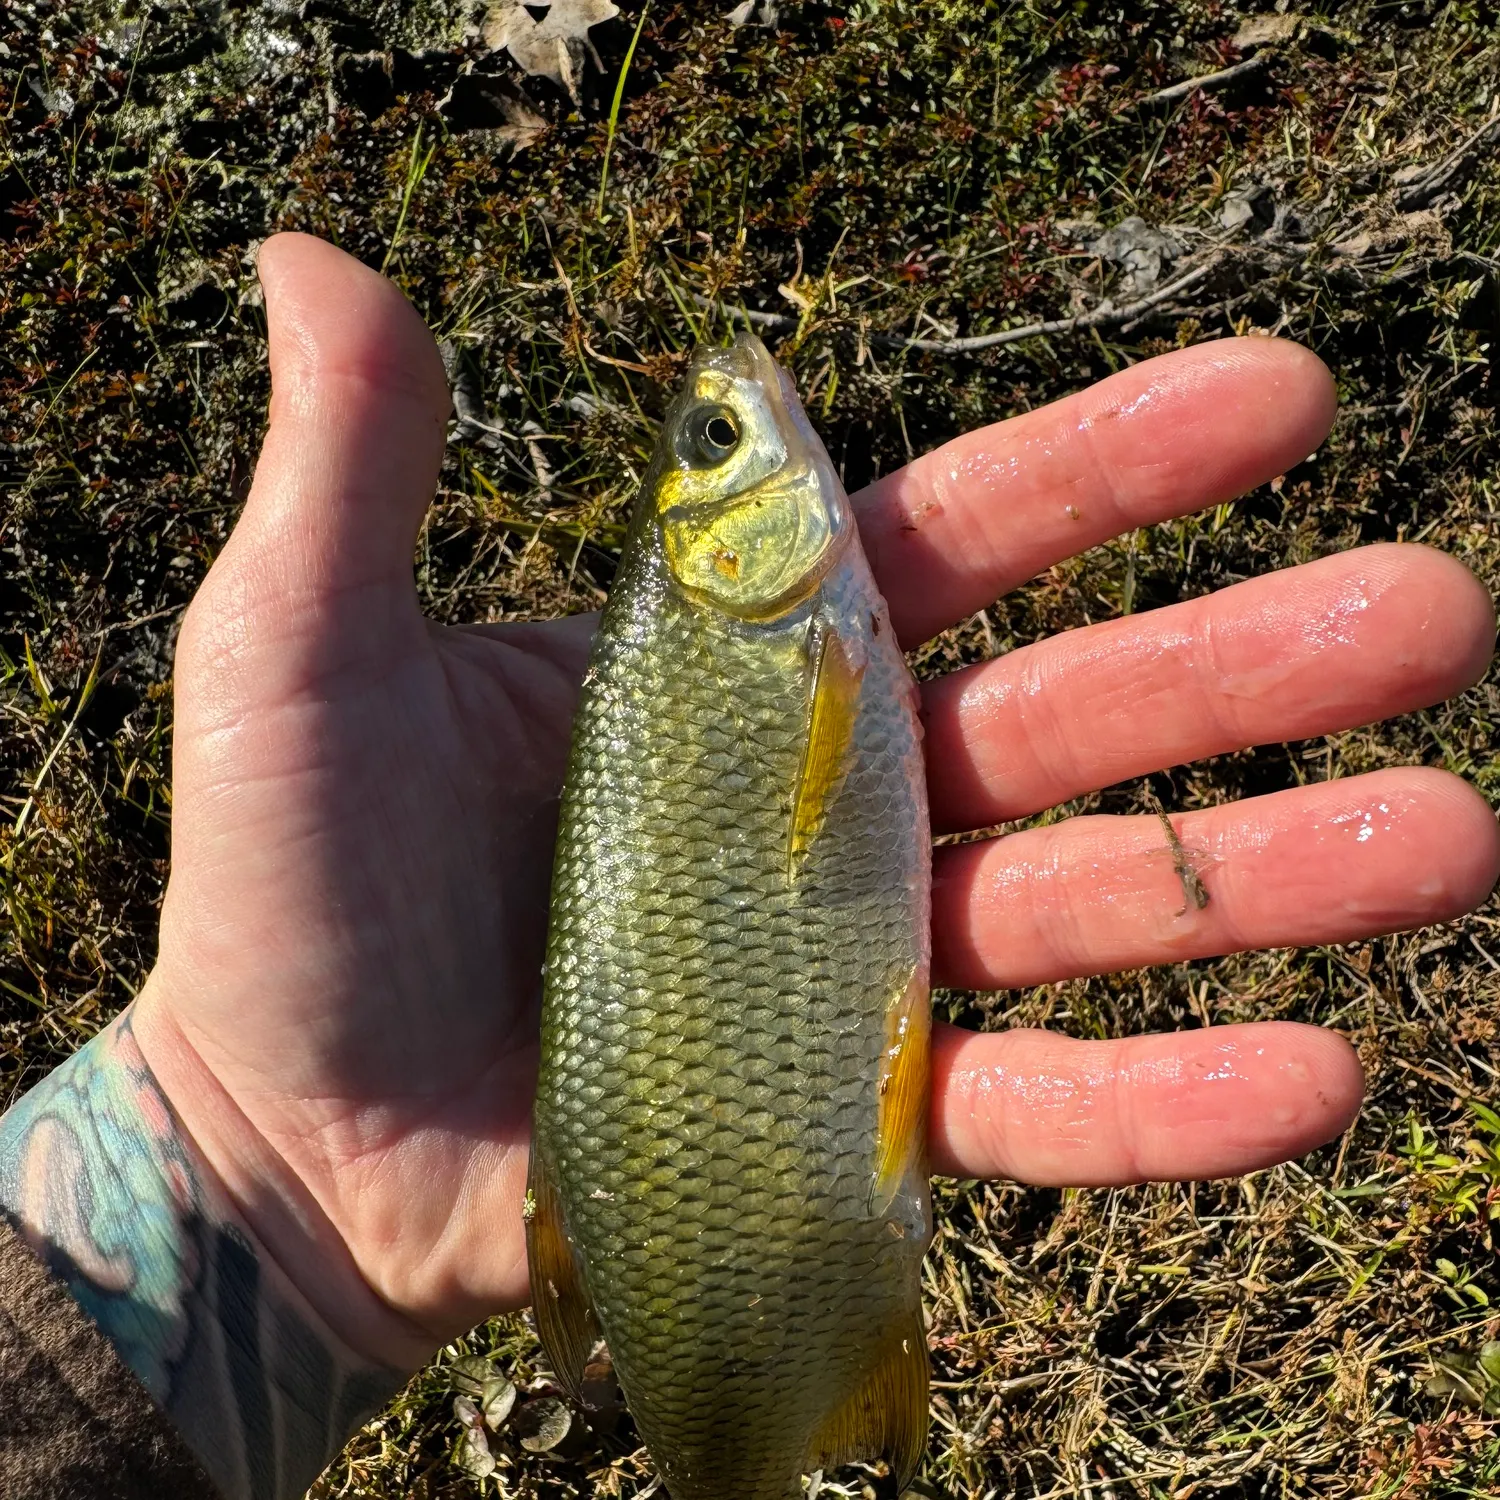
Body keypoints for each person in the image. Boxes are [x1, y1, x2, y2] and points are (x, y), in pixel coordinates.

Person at [1, 234, 1495, 1500]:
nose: (741, 412)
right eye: (718, 448)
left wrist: (241, 1167)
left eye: (712, 442)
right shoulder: (754, 633)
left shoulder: (764, 625)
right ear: (715, 549)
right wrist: (243, 1153)